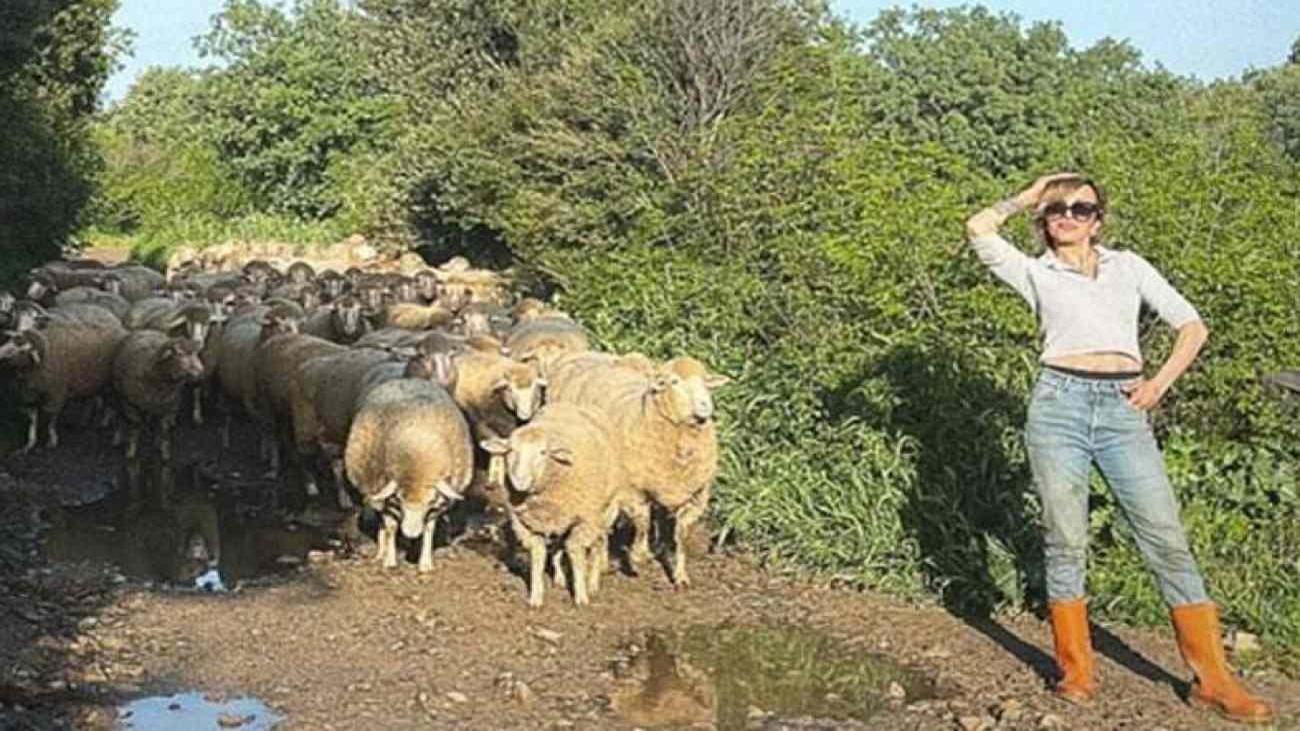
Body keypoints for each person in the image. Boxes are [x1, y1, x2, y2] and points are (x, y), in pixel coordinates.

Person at [963, 173, 1274, 724]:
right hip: (1058, 404)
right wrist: (1028, 194)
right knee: (1066, 539)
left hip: (1123, 410)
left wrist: (1158, 385)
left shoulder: (1127, 266)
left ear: (1097, 220)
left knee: (1167, 538)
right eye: (1057, 208)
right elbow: (978, 227)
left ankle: (1214, 680)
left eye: (1081, 207)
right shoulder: (1036, 272)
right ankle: (1077, 671)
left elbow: (1192, 326)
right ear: (1045, 219)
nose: (1068, 214)